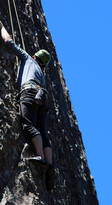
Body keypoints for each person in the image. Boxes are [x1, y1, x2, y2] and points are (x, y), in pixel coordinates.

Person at [0, 21, 54, 191]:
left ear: (34, 56)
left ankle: (40, 157)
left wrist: (2, 27)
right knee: (43, 131)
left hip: (30, 93)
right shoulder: (42, 74)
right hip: (43, 97)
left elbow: (9, 43)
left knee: (28, 124)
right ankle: (50, 166)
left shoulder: (28, 60)